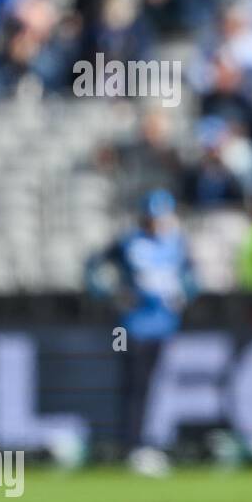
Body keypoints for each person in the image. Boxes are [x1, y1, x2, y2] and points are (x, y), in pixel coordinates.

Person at [85, 190, 196, 475]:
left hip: (163, 326)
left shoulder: (176, 244)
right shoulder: (128, 243)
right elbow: (93, 267)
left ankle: (143, 443)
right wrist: (111, 293)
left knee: (152, 386)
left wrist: (184, 295)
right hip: (133, 327)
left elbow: (191, 279)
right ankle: (132, 445)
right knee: (134, 387)